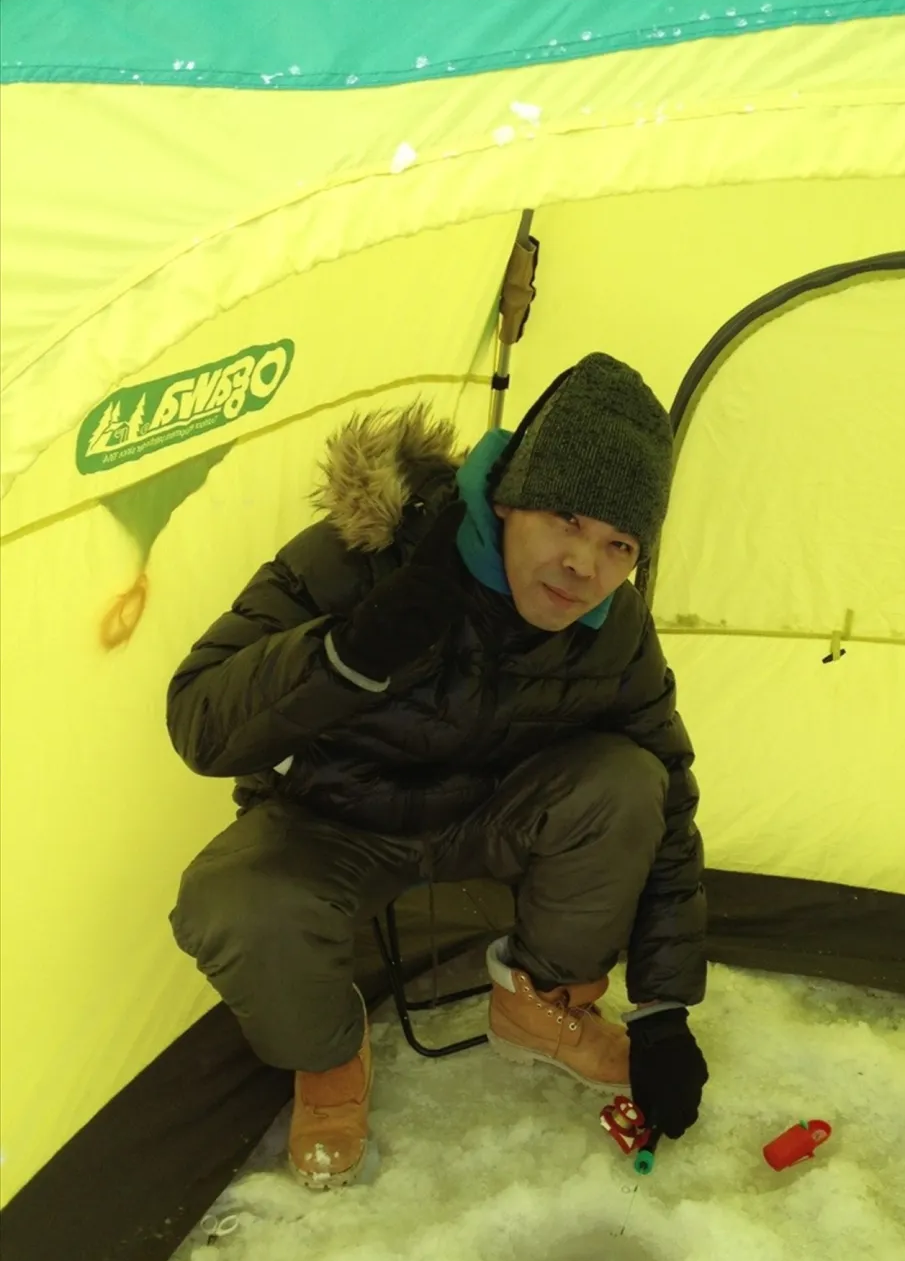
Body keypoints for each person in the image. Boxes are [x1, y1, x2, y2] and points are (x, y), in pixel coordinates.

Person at [167, 353, 709, 1189]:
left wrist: (665, 1008)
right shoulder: (364, 555)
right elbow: (201, 725)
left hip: (492, 813)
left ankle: (539, 999)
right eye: (566, 518)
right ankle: (328, 1054)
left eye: (617, 545)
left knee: (630, 783)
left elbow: (667, 796)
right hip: (333, 818)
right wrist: (347, 653)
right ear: (509, 497)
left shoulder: (612, 628)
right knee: (232, 902)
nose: (583, 566)